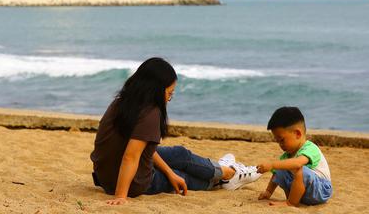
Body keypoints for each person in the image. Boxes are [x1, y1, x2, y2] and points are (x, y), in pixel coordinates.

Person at [90, 57, 261, 205]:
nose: (169, 99)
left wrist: (169, 172)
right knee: (183, 176)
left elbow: (142, 149)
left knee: (180, 155)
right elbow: (131, 157)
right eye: (169, 93)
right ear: (156, 91)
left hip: (107, 176)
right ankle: (228, 177)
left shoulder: (122, 102)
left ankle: (223, 170)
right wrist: (121, 195)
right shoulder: (150, 112)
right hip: (131, 183)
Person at [257, 106, 332, 207]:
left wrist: (272, 164)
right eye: (277, 141)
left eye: (282, 140)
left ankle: (291, 203)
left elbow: (298, 163)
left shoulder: (311, 148)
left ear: (297, 134)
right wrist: (268, 192)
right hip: (303, 193)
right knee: (280, 168)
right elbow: (276, 173)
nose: (280, 144)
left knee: (297, 168)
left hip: (320, 190)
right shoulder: (287, 155)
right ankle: (294, 199)